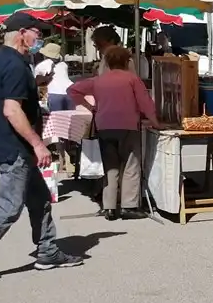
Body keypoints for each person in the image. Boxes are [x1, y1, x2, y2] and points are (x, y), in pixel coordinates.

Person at [0, 14, 83, 281]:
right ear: (22, 32)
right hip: (16, 148)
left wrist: (34, 89)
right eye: (38, 32)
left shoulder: (1, 60)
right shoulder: (13, 64)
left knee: (40, 199)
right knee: (9, 208)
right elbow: (11, 109)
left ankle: (48, 250)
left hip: (12, 145)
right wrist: (38, 144)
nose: (41, 38)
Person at [68, 46, 160, 221]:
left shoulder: (98, 81)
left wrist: (90, 107)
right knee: (131, 165)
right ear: (127, 61)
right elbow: (145, 103)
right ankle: (129, 206)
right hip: (128, 126)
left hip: (104, 126)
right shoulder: (132, 79)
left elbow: (72, 90)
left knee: (110, 166)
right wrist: (156, 123)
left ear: (107, 62)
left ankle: (109, 207)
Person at [34, 42, 74, 112]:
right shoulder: (64, 65)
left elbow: (41, 84)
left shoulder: (41, 65)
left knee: (57, 120)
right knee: (69, 120)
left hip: (54, 94)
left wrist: (43, 103)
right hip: (70, 92)